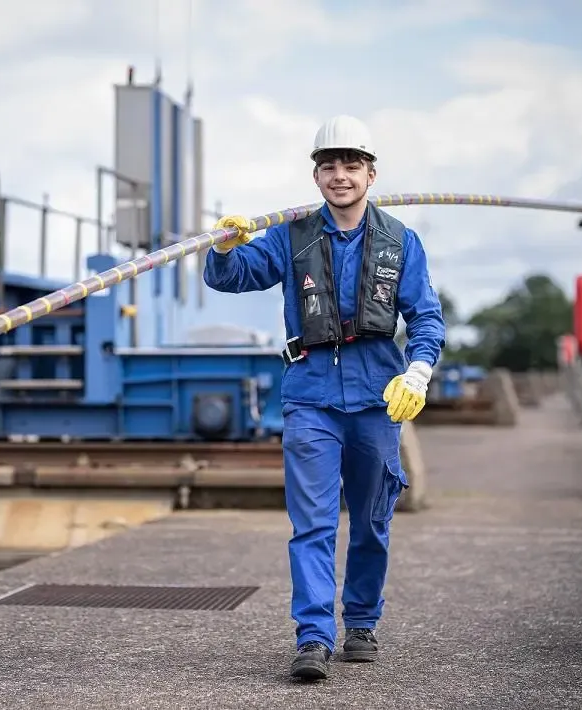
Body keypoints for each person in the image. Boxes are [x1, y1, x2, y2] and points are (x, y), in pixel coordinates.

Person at [202, 115, 446, 681]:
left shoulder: (401, 242)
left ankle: (361, 621)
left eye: (351, 165)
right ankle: (313, 637)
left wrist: (418, 372)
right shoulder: (290, 237)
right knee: (311, 524)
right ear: (316, 177)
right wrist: (224, 247)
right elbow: (232, 277)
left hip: (378, 403)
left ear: (370, 174)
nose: (340, 175)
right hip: (310, 399)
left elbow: (427, 319)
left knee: (371, 521)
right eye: (329, 166)